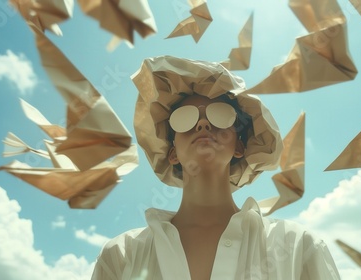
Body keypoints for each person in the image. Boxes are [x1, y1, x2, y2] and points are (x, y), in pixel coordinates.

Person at [91, 56, 340, 279]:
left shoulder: (298, 247)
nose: (202, 124)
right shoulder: (121, 256)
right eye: (184, 118)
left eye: (220, 115)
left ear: (239, 146)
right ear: (173, 152)